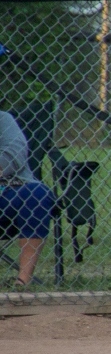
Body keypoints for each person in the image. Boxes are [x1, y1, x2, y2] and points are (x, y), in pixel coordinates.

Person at [0, 109, 54, 288]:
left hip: (8, 190)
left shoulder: (3, 119)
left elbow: (14, 153)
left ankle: (22, 282)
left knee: (37, 194)